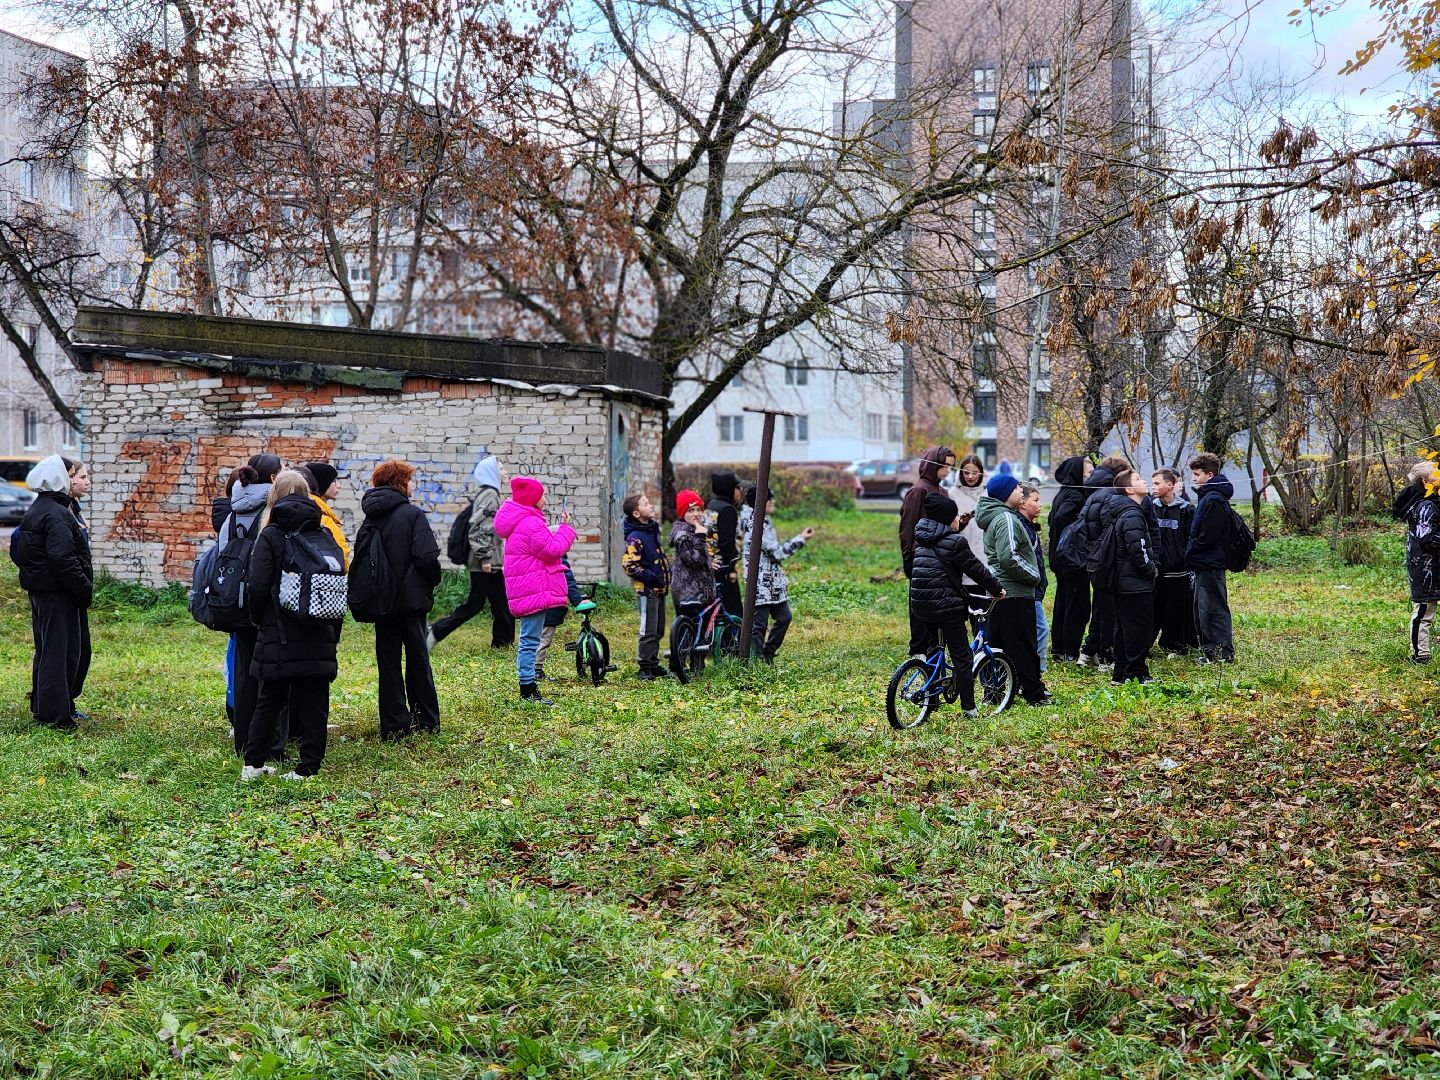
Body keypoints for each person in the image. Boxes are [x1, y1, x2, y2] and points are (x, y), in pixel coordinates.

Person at [241, 470, 339, 780]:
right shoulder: (322, 532)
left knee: (270, 698)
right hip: (319, 627)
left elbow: (257, 586)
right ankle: (308, 768)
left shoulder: (270, 535)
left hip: (279, 630)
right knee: (315, 702)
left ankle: (253, 765)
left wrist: (260, 619)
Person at [359, 460, 442, 738]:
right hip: (410, 599)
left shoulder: (371, 515)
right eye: (410, 479)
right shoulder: (411, 515)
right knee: (418, 658)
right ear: (401, 482)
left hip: (380, 599)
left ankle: (393, 725)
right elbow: (427, 556)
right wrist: (429, 581)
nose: (413, 484)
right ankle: (425, 720)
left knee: (388, 661)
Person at [9, 454, 92, 730]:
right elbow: (62, 559)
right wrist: (82, 589)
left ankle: (44, 707)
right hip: (58, 594)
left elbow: (23, 552)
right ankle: (57, 716)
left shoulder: (38, 509)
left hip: (44, 592)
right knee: (60, 654)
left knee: (47, 651)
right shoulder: (56, 514)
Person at [909, 492, 1005, 715]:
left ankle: (930, 700)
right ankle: (969, 708)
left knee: (935, 648)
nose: (958, 519)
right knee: (962, 656)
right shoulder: (955, 542)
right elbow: (976, 569)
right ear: (947, 519)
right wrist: (997, 589)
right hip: (946, 606)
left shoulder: (922, 538)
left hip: (921, 605)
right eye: (955, 515)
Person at [217, 453, 282, 756]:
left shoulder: (232, 513)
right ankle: (267, 744)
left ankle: (243, 741)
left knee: (242, 675)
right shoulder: (271, 513)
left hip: (234, 604)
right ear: (272, 478)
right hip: (262, 604)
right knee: (269, 677)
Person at [494, 476, 576, 703]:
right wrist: (566, 529)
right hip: (533, 589)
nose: (546, 499)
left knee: (530, 638)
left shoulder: (524, 521)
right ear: (533, 499)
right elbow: (552, 550)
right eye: (543, 495)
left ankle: (528, 685)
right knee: (530, 640)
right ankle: (527, 688)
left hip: (528, 587)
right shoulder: (531, 523)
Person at [428, 453, 514, 651]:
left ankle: (502, 643)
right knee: (489, 603)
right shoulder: (490, 495)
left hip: (485, 560)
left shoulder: (488, 493)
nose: (505, 472)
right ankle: (435, 631)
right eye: (501, 469)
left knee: (494, 602)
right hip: (485, 561)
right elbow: (480, 527)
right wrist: (485, 557)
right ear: (492, 472)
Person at [976, 474, 1049, 705]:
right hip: (1014, 592)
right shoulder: (1006, 518)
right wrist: (1034, 576)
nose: (1021, 490)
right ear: (1007, 493)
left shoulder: (998, 516)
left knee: (999, 645)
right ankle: (1034, 694)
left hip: (1002, 591)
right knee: (1023, 646)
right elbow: (1009, 557)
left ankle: (995, 693)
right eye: (1016, 487)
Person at [738, 485, 813, 662]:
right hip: (760, 583)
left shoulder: (762, 521)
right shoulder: (755, 524)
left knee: (785, 617)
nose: (772, 502)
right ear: (761, 502)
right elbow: (777, 553)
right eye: (769, 499)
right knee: (759, 625)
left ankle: (768, 653)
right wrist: (800, 539)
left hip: (773, 583)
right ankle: (758, 661)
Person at [899, 446, 956, 656]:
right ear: (934, 464)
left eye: (951, 466)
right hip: (921, 561)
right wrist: (909, 559)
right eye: (945, 465)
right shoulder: (918, 490)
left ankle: (935, 654)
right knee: (920, 614)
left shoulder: (942, 491)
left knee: (938, 612)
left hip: (941, 562)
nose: (948, 470)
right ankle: (918, 657)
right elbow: (907, 528)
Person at [1104, 469, 1159, 684]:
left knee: (1124, 628)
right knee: (1138, 630)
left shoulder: (1126, 512)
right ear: (1129, 489)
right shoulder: (1132, 514)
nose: (1144, 481)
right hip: (1134, 583)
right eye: (1138, 479)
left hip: (1124, 582)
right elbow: (1139, 548)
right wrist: (1151, 569)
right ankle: (1137, 673)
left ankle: (1121, 673)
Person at [1078, 455, 1131, 668]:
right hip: (1108, 559)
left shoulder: (1094, 492)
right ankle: (1106, 655)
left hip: (1094, 557)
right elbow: (1113, 530)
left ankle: (1089, 651)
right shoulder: (1111, 495)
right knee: (1109, 610)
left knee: (1100, 606)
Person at [1185, 452, 1236, 664]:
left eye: (1197, 474)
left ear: (1209, 474)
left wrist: (1191, 550)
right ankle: (1210, 651)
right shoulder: (1207, 496)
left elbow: (1208, 535)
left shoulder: (1214, 499)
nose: (1194, 479)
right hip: (1203, 562)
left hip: (1210, 563)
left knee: (1213, 610)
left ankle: (1220, 653)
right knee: (1203, 611)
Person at [1394, 460, 1440, 664]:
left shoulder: (1432, 501)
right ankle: (1420, 655)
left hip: (1433, 565)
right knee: (1424, 610)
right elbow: (1426, 538)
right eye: (1435, 473)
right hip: (1425, 566)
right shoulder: (1425, 506)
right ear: (1425, 481)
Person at [621, 492, 671, 680]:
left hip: (659, 590)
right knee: (647, 630)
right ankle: (644, 666)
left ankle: (653, 662)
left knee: (658, 629)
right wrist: (651, 577)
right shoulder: (635, 537)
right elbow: (629, 565)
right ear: (636, 513)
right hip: (647, 591)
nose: (651, 506)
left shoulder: (651, 531)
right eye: (645, 504)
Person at [1048, 455, 1092, 662]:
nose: (1091, 472)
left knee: (1063, 602)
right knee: (1077, 606)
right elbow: (1060, 518)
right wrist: (1078, 530)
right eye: (1087, 469)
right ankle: (1069, 650)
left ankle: (1060, 648)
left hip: (1061, 557)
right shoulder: (1074, 496)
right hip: (1072, 559)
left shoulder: (1063, 493)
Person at [1148, 468, 1197, 654]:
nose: (1153, 487)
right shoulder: (1151, 507)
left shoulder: (1186, 509)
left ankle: (1174, 645)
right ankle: (1146, 644)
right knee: (1153, 609)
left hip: (1179, 572)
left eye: (1157, 483)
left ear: (1171, 485)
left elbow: (1191, 539)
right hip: (1156, 571)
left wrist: (1186, 562)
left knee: (1176, 610)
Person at [1016, 482, 1050, 673]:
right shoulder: (1020, 526)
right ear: (1022, 503)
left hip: (1035, 589)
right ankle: (1035, 672)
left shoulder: (1029, 526)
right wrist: (1034, 580)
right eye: (1035, 500)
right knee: (1041, 630)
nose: (1039, 505)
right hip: (1029, 589)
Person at [670, 489, 718, 621]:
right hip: (690, 594)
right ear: (682, 513)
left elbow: (697, 558)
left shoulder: (693, 530)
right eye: (691, 510)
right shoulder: (682, 535)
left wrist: (709, 562)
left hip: (700, 593)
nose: (696, 514)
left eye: (699, 509)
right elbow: (694, 560)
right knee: (693, 632)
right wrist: (701, 538)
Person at [533, 556, 582, 682]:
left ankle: (530, 669)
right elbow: (569, 582)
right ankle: (536, 670)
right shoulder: (558, 561)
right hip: (549, 605)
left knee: (534, 638)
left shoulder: (532, 558)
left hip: (535, 604)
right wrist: (578, 601)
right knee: (543, 638)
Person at [301, 461, 351, 571]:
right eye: (333, 481)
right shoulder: (322, 518)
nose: (338, 485)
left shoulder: (311, 509)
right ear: (322, 483)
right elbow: (342, 558)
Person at [707, 472, 744, 616]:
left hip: (710, 563)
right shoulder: (727, 509)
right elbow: (727, 544)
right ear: (729, 489)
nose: (740, 491)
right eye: (737, 487)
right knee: (732, 610)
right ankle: (732, 639)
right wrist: (731, 569)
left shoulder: (712, 505)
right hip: (723, 567)